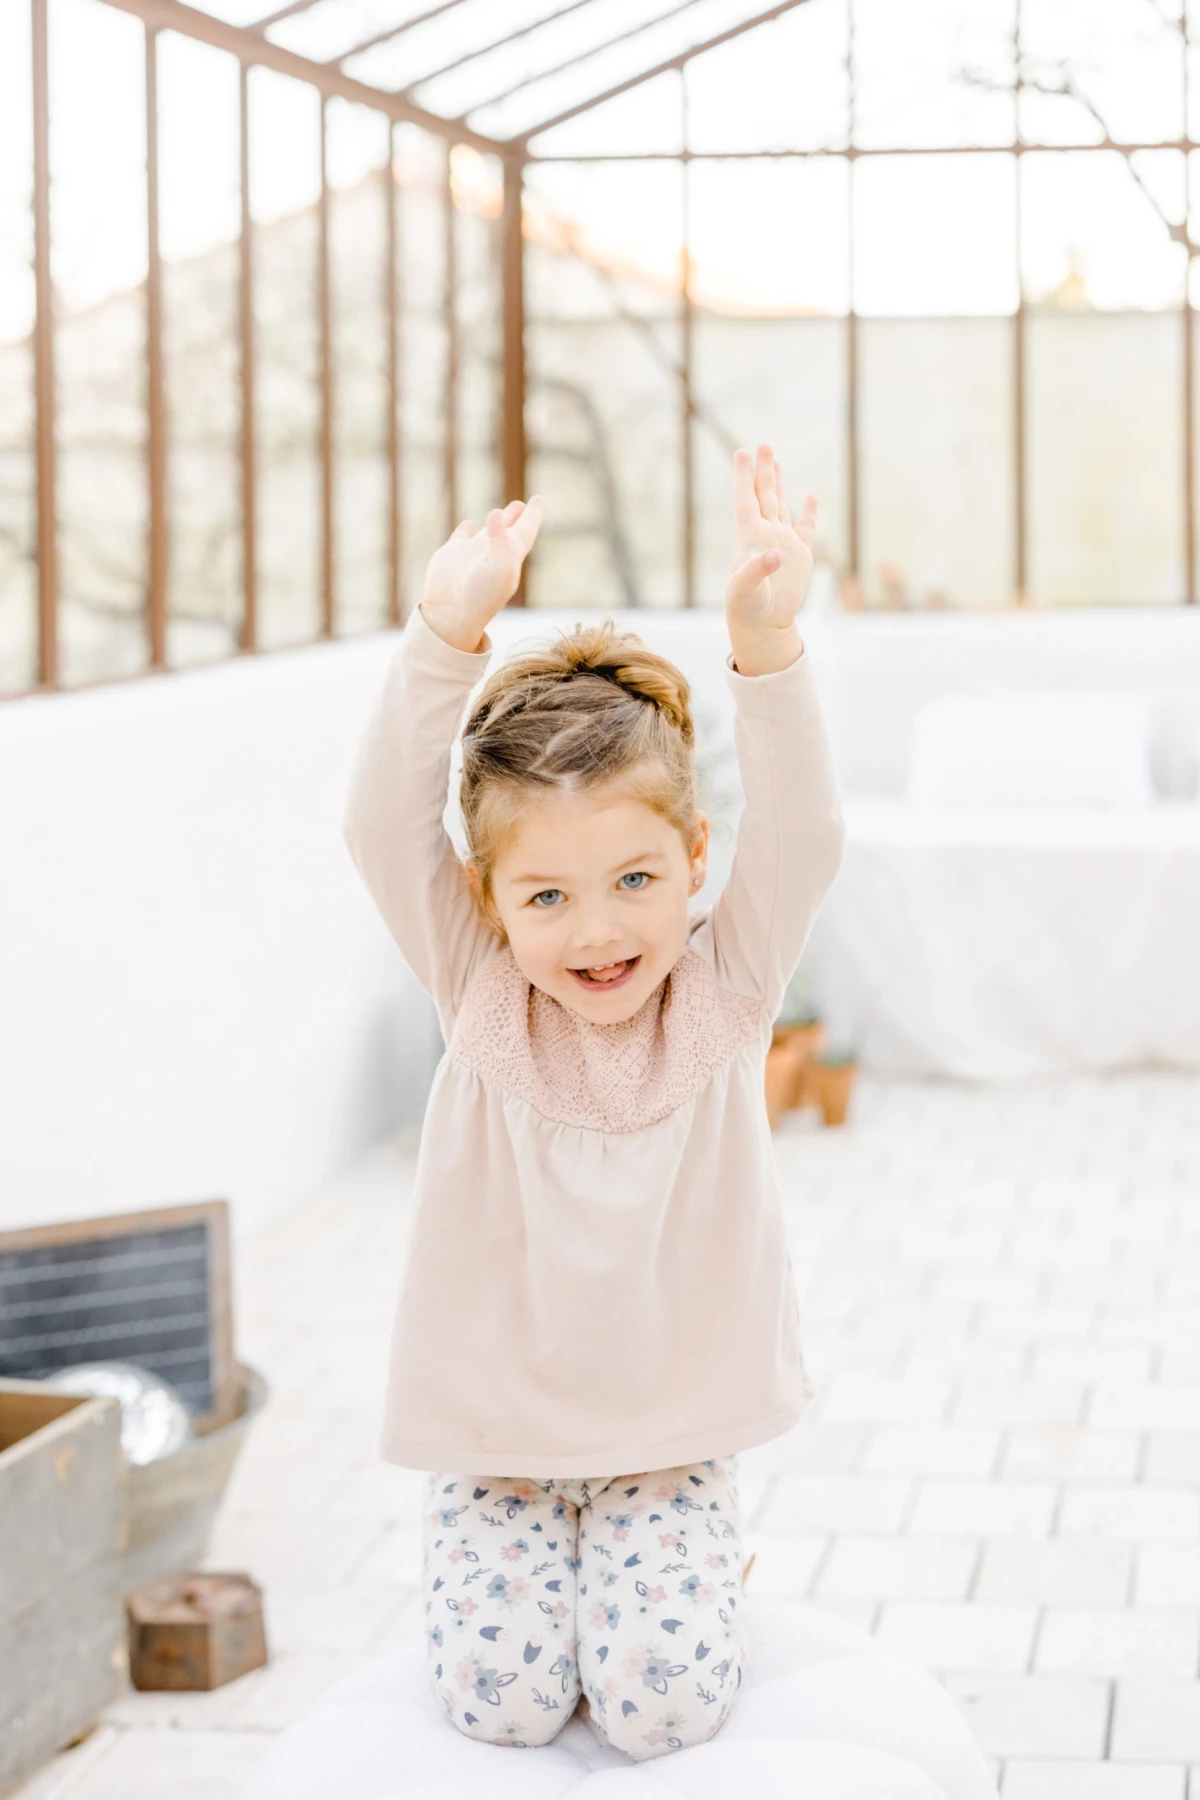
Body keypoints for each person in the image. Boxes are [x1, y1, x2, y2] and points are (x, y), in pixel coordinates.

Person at [342, 443, 845, 1761]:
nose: (595, 931)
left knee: (661, 1706)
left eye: (632, 880)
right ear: (489, 903)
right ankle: (541, 1567)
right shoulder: (479, 988)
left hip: (668, 1441)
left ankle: (680, 1569)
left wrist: (765, 642)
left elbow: (803, 834)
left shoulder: (726, 988)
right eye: (546, 896)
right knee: (500, 1704)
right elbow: (381, 831)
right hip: (500, 1438)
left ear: (690, 861)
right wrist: (445, 633)